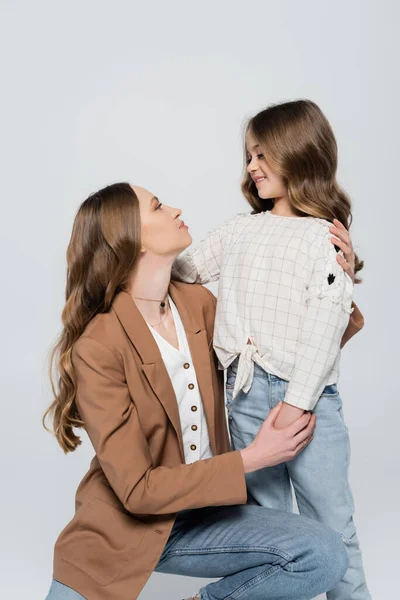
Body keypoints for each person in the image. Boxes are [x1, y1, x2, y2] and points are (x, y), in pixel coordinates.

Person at [42, 182, 360, 600]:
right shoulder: (98, 346)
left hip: (208, 518)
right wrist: (253, 458)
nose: (174, 208)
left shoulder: (199, 304)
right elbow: (137, 490)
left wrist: (335, 278)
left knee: (324, 553)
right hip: (122, 532)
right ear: (131, 240)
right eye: (157, 206)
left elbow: (280, 353)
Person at [172, 99, 370, 599]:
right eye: (248, 157)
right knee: (274, 535)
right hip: (244, 396)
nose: (252, 167)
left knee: (334, 527)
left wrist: (297, 402)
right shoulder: (239, 230)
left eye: (263, 155)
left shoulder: (323, 239)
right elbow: (184, 269)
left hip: (308, 403)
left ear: (298, 153)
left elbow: (326, 326)